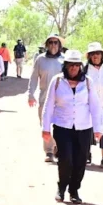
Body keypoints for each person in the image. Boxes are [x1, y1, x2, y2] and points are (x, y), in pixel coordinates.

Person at [41, 50, 103, 203]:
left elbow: (95, 106)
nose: (74, 68)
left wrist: (98, 128)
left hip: (83, 127)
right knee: (66, 159)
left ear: (80, 66)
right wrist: (45, 127)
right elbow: (48, 104)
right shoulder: (57, 81)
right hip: (63, 126)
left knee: (81, 160)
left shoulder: (88, 82)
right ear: (66, 66)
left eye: (77, 65)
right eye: (71, 65)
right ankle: (61, 188)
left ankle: (74, 190)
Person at [28, 34, 65, 162]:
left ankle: (56, 148)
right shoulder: (40, 60)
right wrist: (30, 94)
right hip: (44, 98)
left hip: (61, 100)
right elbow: (33, 78)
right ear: (47, 45)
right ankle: (49, 151)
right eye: (51, 42)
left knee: (60, 126)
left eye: (56, 42)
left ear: (59, 45)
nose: (53, 45)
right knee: (46, 124)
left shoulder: (64, 60)